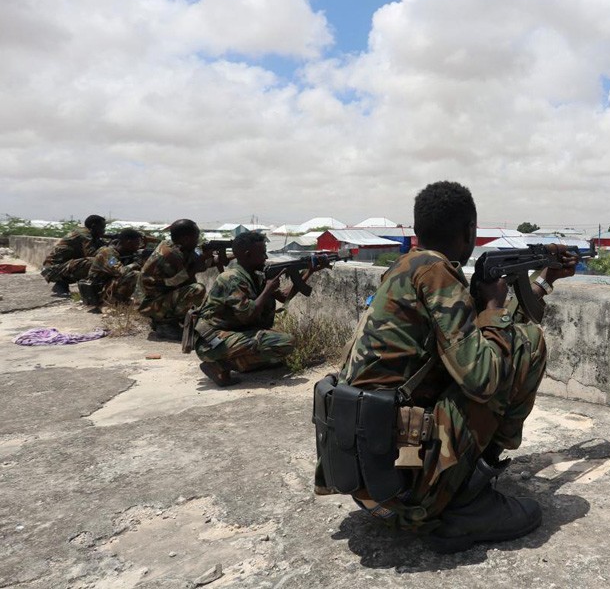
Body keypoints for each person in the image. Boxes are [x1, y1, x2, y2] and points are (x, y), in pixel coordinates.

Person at [314, 181, 576, 553]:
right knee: (526, 345)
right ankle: (466, 499)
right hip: (407, 493)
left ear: (418, 230)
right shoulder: (437, 274)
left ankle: (452, 483)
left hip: (370, 479)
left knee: (505, 344)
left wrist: (543, 282)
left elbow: (469, 337)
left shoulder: (408, 268)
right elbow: (484, 377)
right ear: (470, 230)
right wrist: (493, 307)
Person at [193, 230, 327, 387]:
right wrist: (267, 290)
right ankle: (219, 366)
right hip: (212, 342)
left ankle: (238, 364)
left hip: (231, 334)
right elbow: (248, 315)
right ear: (248, 254)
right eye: (262, 253)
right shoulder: (232, 278)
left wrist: (309, 270)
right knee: (285, 342)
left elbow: (284, 296)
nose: (266, 257)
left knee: (276, 352)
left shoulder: (255, 274)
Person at [139, 219, 217, 341]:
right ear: (186, 239)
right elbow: (179, 281)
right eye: (196, 238)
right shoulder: (170, 254)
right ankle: (165, 324)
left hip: (160, 300)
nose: (197, 242)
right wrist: (198, 265)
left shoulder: (179, 248)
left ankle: (165, 320)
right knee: (196, 289)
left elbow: (202, 263)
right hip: (151, 304)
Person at [41, 215, 107, 296]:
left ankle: (61, 285)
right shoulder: (84, 234)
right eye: (102, 228)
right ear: (93, 226)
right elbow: (93, 254)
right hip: (52, 270)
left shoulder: (89, 235)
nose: (104, 231)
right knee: (93, 262)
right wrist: (111, 247)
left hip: (59, 267)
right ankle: (84, 287)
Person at [85, 228, 145, 309]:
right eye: (137, 244)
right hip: (99, 293)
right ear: (128, 242)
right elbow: (120, 271)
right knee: (135, 275)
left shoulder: (124, 254)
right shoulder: (107, 253)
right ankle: (113, 302)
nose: (138, 247)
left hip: (106, 288)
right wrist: (135, 264)